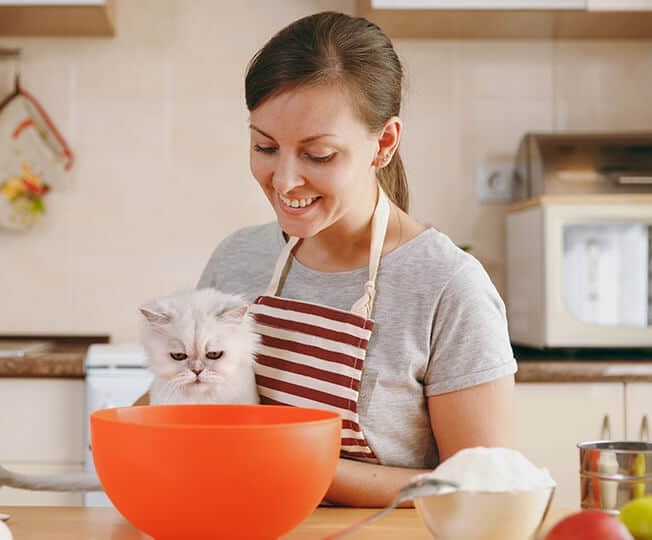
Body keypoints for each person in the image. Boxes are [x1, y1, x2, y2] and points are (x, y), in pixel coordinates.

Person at [192, 11, 517, 508]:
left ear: (383, 143)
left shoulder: (447, 286)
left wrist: (286, 466)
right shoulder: (237, 258)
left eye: (317, 155)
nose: (283, 181)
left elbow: (479, 484)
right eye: (265, 146)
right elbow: (185, 409)